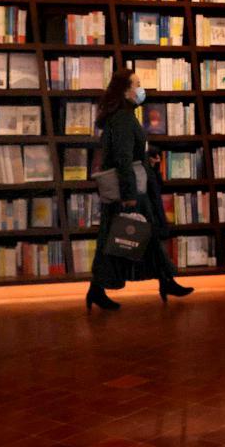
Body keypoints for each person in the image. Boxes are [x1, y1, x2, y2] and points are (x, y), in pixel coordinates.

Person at [86, 68, 193, 311]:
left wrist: (148, 156)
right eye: (137, 84)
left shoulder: (122, 116)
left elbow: (130, 151)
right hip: (130, 192)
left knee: (136, 237)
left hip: (132, 188)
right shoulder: (123, 119)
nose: (141, 88)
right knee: (120, 240)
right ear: (125, 91)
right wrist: (129, 196)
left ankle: (165, 281)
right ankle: (98, 289)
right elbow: (123, 159)